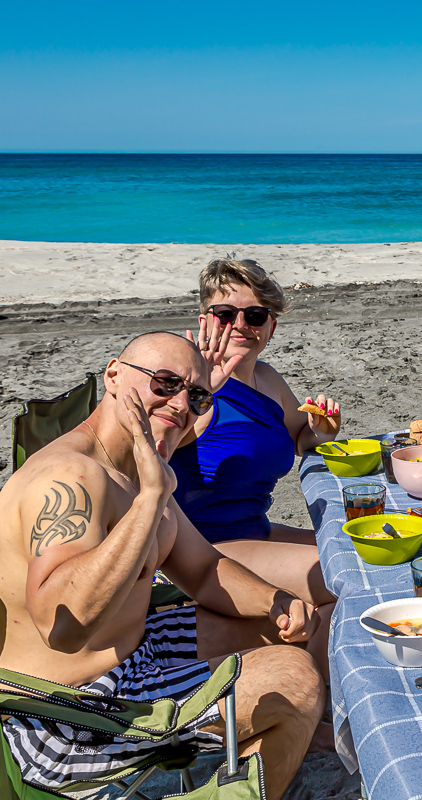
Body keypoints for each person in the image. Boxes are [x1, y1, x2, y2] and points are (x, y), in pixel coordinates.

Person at [0, 332, 325, 800]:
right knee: (295, 680)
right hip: (70, 712)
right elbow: (62, 626)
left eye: (196, 395)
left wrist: (278, 603)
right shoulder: (71, 478)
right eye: (165, 383)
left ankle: (262, 751)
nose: (180, 404)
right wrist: (151, 499)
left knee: (294, 630)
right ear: (114, 374)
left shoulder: (136, 464)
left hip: (138, 653)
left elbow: (203, 570)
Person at [170, 258, 338, 673]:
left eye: (255, 315)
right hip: (201, 546)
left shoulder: (267, 378)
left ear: (271, 326)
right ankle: (322, 711)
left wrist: (322, 430)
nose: (241, 324)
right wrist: (198, 391)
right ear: (206, 321)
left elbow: (301, 437)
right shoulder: (186, 388)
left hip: (253, 529)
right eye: (226, 314)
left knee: (354, 558)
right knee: (338, 580)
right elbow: (148, 451)